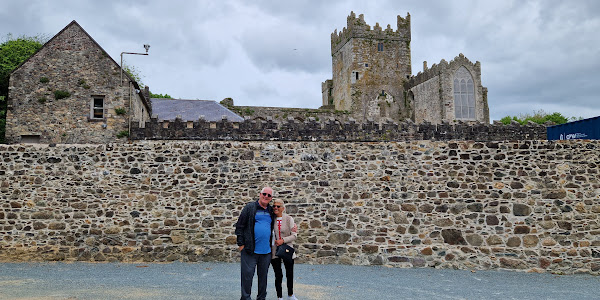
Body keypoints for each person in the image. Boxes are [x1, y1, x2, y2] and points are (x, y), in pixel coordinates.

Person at [235, 187, 276, 300]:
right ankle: (246, 298)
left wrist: (293, 227)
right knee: (247, 277)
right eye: (264, 194)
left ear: (271, 198)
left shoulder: (271, 211)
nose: (266, 196)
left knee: (263, 278)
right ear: (260, 194)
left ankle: (261, 298)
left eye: (269, 195)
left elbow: (281, 220)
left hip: (266, 252)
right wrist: (241, 244)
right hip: (250, 250)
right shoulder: (250, 207)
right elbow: (239, 226)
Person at [271, 199, 299, 300]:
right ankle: (279, 296)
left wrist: (283, 240)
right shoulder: (271, 219)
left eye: (278, 206)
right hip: (274, 250)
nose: (275, 208)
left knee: (289, 273)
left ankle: (290, 295)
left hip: (287, 249)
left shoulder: (288, 219)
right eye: (274, 206)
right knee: (278, 274)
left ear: (283, 208)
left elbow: (294, 235)